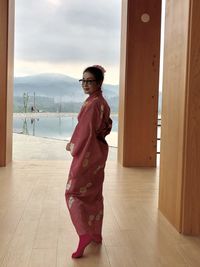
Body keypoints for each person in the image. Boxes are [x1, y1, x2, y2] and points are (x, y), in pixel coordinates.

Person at [65, 65, 112, 258]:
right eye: (83, 80)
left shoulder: (92, 104)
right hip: (99, 153)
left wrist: (73, 145)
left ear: (99, 83)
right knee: (94, 194)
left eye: (89, 81)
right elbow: (105, 127)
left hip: (87, 154)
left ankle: (84, 233)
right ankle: (96, 234)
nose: (85, 84)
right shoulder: (102, 102)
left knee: (72, 192)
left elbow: (85, 131)